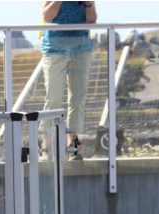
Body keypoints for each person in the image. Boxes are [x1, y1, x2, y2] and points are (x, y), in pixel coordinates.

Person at [41, 1, 97, 158]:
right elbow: (47, 16)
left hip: (81, 50)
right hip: (54, 51)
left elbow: (92, 20)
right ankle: (46, 146)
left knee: (78, 98)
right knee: (53, 97)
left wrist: (88, 4)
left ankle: (73, 145)